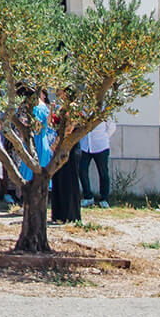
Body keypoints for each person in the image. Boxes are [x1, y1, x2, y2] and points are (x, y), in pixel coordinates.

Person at [49, 91, 81, 225]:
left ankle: (70, 214)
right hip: (60, 145)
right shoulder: (61, 107)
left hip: (69, 146)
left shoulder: (73, 107)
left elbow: (69, 129)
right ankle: (59, 214)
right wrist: (51, 111)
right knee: (59, 179)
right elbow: (52, 124)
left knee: (69, 180)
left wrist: (56, 142)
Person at [79, 116, 117, 208]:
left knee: (103, 173)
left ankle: (104, 199)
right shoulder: (83, 110)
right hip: (85, 146)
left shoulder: (104, 111)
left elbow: (112, 127)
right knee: (82, 171)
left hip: (101, 146)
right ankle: (88, 197)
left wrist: (103, 137)